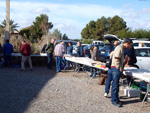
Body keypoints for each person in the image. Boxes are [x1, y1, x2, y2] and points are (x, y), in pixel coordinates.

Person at [110, 38, 132, 107]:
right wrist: (119, 69)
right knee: (115, 85)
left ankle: (116, 99)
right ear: (127, 43)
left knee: (116, 85)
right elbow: (117, 59)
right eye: (130, 45)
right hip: (116, 68)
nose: (130, 47)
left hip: (117, 69)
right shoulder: (119, 48)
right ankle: (114, 100)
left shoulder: (122, 48)